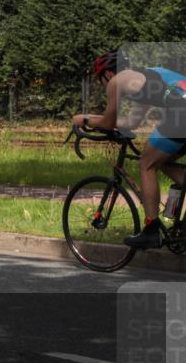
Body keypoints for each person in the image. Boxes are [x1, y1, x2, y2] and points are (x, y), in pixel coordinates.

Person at [72, 51, 186, 248]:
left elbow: (108, 122)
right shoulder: (145, 77)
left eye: (101, 82)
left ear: (107, 74)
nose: (104, 87)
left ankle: (151, 230)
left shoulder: (116, 81)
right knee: (162, 161)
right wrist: (108, 124)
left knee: (146, 164)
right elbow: (132, 121)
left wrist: (85, 119)